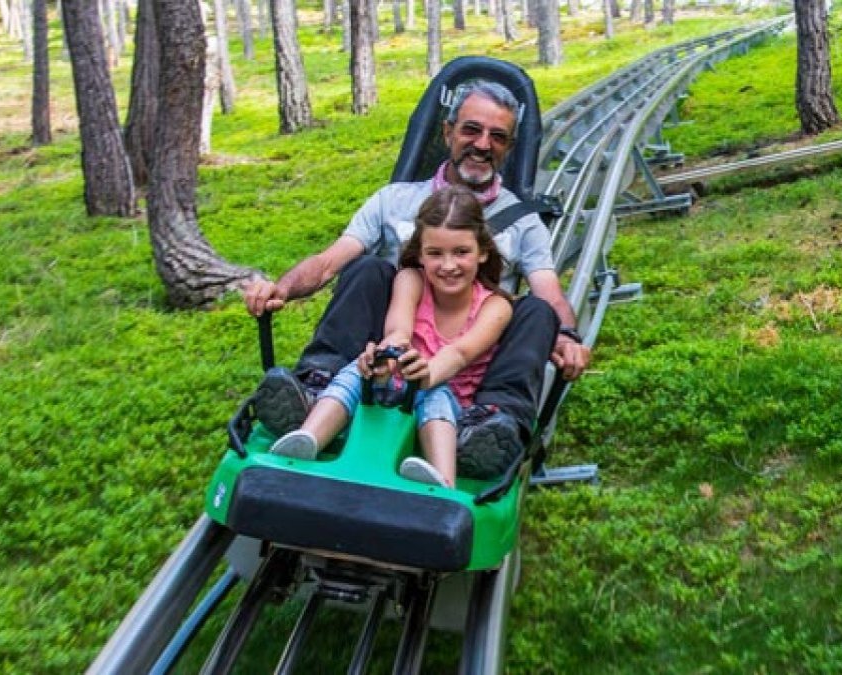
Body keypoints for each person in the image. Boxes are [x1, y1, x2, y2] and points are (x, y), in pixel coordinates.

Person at [243, 79, 591, 478]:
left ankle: (492, 423)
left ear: (509, 148)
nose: (482, 145)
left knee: (537, 312)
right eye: (471, 130)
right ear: (448, 132)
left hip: (475, 347)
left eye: (497, 137)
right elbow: (328, 262)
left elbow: (550, 294)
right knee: (368, 269)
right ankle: (317, 387)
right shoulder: (394, 200)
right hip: (391, 344)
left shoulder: (524, 222)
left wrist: (567, 337)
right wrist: (282, 288)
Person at [270, 187, 512, 487]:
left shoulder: (495, 306)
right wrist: (382, 358)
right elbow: (399, 331)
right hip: (397, 385)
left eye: (461, 252)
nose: (448, 265)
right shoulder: (411, 280)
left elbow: (459, 354)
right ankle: (307, 438)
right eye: (435, 253)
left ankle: (443, 478)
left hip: (448, 402)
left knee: (435, 394)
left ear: (483, 252)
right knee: (353, 372)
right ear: (420, 254)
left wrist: (425, 376)